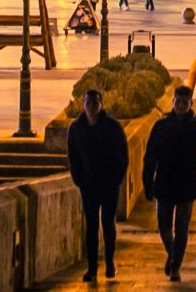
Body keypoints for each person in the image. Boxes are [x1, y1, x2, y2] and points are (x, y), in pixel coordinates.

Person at [143, 85, 196, 282]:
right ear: (172, 102)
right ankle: (173, 255)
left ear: (190, 104)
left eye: (185, 102)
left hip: (187, 185)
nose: (181, 106)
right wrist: (146, 181)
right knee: (164, 226)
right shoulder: (161, 126)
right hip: (164, 183)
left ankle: (175, 266)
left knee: (182, 228)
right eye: (178, 102)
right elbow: (150, 157)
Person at [67, 88, 129, 283]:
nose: (91, 107)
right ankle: (92, 268)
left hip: (109, 185)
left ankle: (110, 262)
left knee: (108, 224)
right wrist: (79, 180)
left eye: (95, 103)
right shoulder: (76, 129)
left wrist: (116, 179)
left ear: (101, 104)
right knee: (91, 227)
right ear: (83, 104)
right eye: (88, 103)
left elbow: (122, 156)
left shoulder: (112, 127)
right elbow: (73, 157)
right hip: (89, 186)